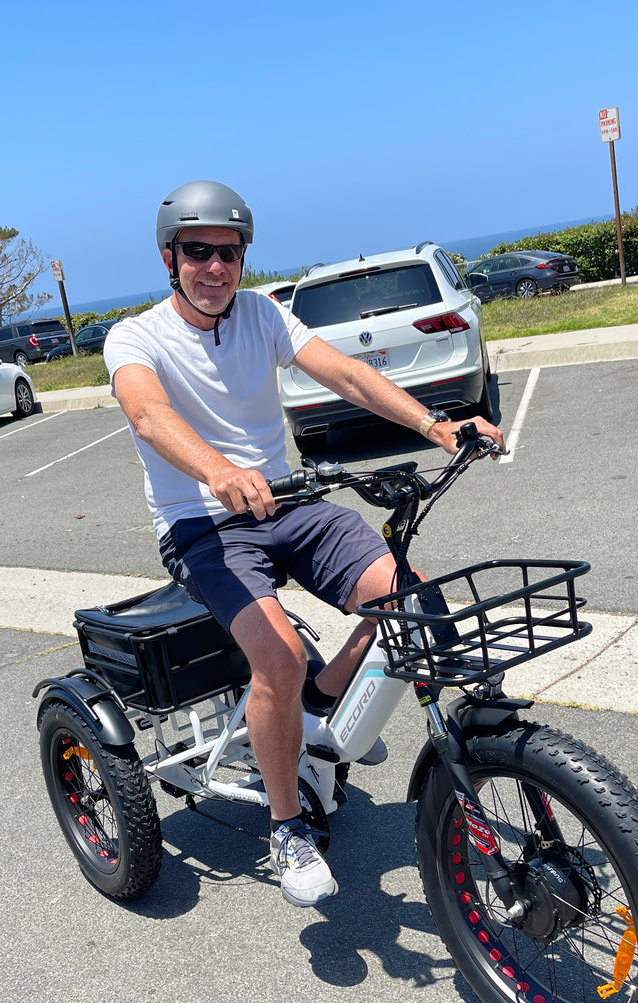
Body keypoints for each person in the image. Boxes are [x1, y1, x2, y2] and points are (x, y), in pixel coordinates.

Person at [104, 180, 504, 908]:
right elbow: (148, 413)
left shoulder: (262, 313)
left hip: (286, 503)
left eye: (229, 252)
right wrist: (218, 472)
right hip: (202, 524)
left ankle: (324, 702)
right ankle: (287, 826)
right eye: (198, 251)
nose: (215, 267)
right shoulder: (135, 337)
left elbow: (345, 372)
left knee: (411, 597)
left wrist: (437, 426)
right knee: (280, 656)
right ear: (169, 258)